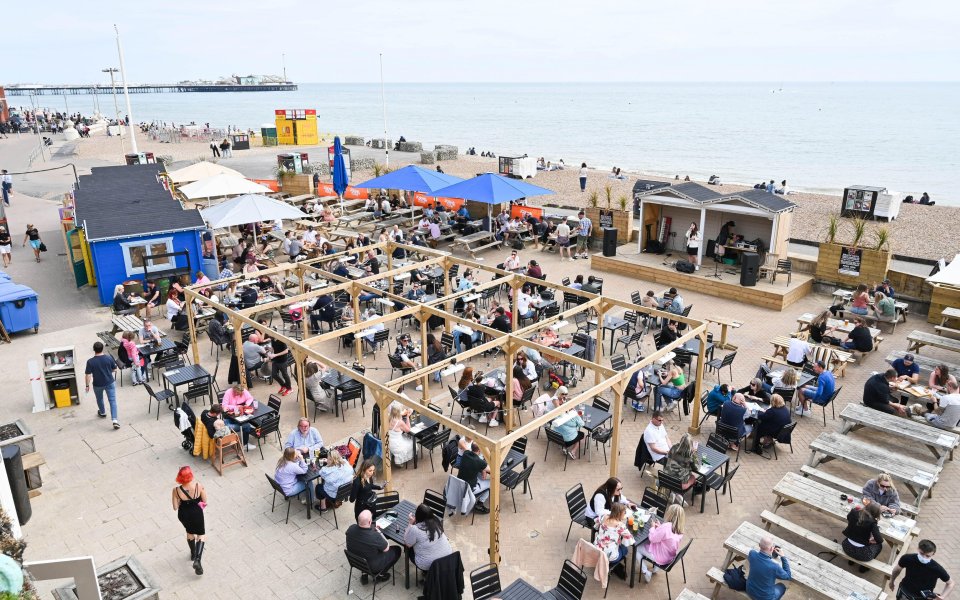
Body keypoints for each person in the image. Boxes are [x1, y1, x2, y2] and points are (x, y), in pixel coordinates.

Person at [346, 510, 402, 584]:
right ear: (369, 522)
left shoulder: (351, 529)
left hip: (356, 562)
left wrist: (371, 529)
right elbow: (386, 548)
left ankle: (364, 574)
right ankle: (380, 575)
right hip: (372, 566)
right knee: (397, 550)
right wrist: (379, 533)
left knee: (363, 548)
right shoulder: (374, 536)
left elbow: (362, 535)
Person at [889, 539, 954, 600]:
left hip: (922, 597)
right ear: (918, 549)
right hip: (905, 592)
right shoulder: (907, 558)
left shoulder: (937, 568)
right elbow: (897, 569)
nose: (923, 558)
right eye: (922, 553)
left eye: (927, 556)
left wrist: (942, 596)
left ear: (933, 554)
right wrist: (891, 581)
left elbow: (950, 583)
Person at [172, 466, 208, 575]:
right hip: (196, 512)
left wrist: (181, 501)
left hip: (184, 514)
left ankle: (192, 554)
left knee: (189, 532)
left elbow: (175, 507)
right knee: (201, 535)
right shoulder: (198, 486)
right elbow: (205, 501)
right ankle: (197, 559)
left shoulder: (176, 490)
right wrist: (198, 510)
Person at [637, 504, 685, 583]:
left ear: (670, 514)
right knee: (645, 544)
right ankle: (656, 568)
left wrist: (652, 527)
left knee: (638, 548)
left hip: (661, 557)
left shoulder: (666, 527)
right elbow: (668, 536)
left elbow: (652, 538)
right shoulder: (680, 528)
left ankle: (645, 572)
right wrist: (660, 527)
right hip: (669, 556)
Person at [403, 503, 453, 572]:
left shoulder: (415, 529)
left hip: (429, 565)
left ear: (418, 516)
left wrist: (410, 524)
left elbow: (407, 542)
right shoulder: (436, 520)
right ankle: (430, 574)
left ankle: (427, 573)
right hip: (448, 558)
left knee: (408, 550)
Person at [594, 502, 634, 579]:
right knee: (625, 549)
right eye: (624, 512)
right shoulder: (620, 525)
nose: (625, 514)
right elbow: (629, 540)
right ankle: (612, 566)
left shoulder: (604, 517)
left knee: (615, 545)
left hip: (597, 550)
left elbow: (596, 524)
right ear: (619, 514)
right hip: (609, 556)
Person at [85, 342, 120, 429]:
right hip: (110, 382)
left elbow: (88, 375)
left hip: (97, 384)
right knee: (112, 401)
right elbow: (115, 369)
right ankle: (115, 420)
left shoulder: (90, 362)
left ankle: (103, 412)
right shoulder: (109, 358)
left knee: (99, 398)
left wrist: (87, 385)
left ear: (94, 349)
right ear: (102, 348)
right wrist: (108, 371)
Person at [842, 502, 884, 570]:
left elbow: (848, 517)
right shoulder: (872, 523)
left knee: (855, 538)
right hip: (863, 554)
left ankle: (851, 561)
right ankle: (864, 568)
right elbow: (879, 540)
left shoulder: (853, 512)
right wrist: (872, 540)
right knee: (879, 546)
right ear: (876, 514)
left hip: (846, 546)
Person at [662, 434, 701, 501]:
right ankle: (678, 493)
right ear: (690, 444)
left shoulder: (674, 447)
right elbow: (697, 468)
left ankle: (673, 492)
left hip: (666, 478)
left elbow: (668, 457)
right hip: (679, 484)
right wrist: (694, 454)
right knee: (693, 477)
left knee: (677, 474)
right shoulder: (690, 455)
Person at [458, 442, 492, 511]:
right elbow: (492, 470)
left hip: (460, 484)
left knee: (479, 475)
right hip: (470, 489)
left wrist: (483, 470)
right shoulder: (479, 462)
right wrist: (484, 468)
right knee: (491, 483)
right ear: (479, 451)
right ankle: (480, 503)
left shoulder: (466, 453)